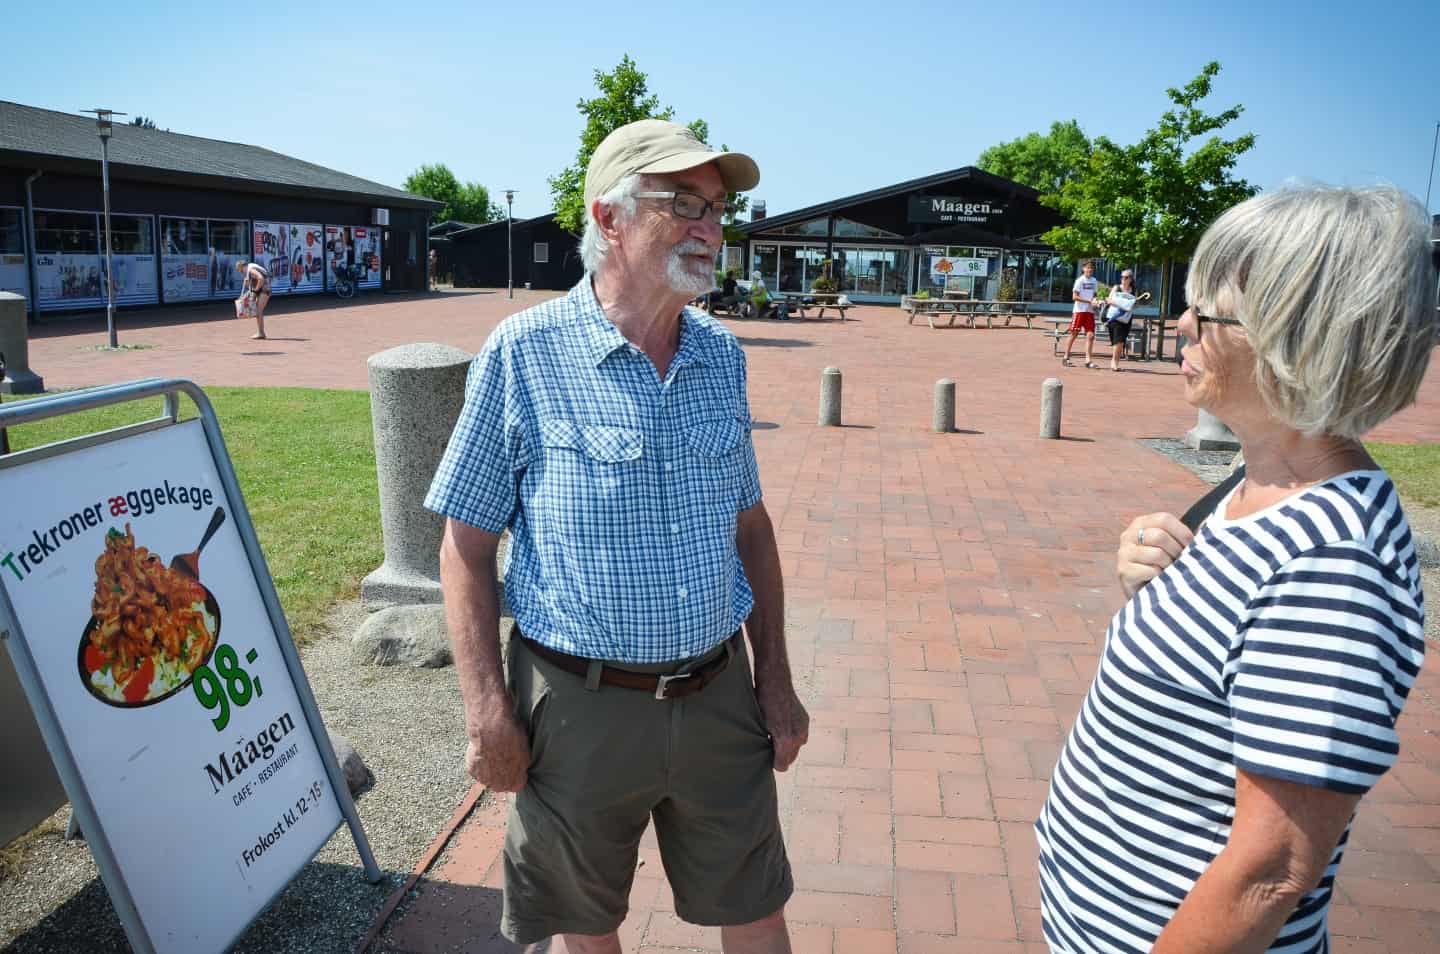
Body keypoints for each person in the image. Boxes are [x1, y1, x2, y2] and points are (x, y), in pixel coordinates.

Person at [425, 118, 806, 952]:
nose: (711, 227)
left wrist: (774, 677)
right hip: (578, 709)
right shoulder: (523, 353)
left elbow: (751, 527)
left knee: (759, 910)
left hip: (718, 699)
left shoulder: (721, 356)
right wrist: (487, 707)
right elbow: (466, 546)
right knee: (583, 926)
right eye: (684, 203)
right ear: (610, 219)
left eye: (716, 207)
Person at [1035, 185, 1436, 953]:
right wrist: (1155, 582)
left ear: (1301, 339)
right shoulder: (1257, 490)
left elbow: (1271, 869)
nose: (1181, 324)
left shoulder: (1331, 561)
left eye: (1209, 313)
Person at [1101, 268, 1141, 371]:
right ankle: (1114, 362)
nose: (1123, 279)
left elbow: (1135, 306)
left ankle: (1115, 363)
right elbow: (1108, 300)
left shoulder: (1134, 291)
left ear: (1131, 279)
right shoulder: (1117, 288)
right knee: (1117, 341)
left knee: (1120, 342)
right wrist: (1122, 304)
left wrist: (1133, 305)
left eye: (1126, 277)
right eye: (1122, 277)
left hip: (1126, 319)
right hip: (1114, 317)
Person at [1061, 259, 1099, 367]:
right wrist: (1088, 301)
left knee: (1090, 335)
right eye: (1087, 268)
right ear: (1083, 269)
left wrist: (1095, 302)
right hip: (1079, 311)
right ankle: (1066, 357)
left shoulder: (1094, 281)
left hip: (1089, 312)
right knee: (1074, 334)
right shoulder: (1080, 281)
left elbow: (1095, 295)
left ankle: (1088, 360)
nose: (1089, 270)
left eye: (1091, 268)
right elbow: (1074, 297)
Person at [235, 260, 271, 339]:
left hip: (264, 289)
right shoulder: (250, 269)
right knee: (258, 311)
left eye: (240, 271)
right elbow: (252, 287)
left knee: (258, 311)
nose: (241, 273)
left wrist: (255, 291)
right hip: (263, 289)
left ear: (242, 267)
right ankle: (261, 332)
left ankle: (261, 333)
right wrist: (244, 296)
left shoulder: (251, 270)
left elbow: (261, 278)